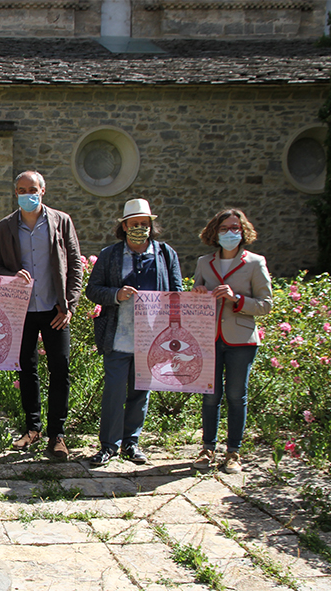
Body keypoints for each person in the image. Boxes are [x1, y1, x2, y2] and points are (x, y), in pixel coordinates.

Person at [0, 170, 84, 460]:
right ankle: (33, 428)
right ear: (15, 193)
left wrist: (70, 303)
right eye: (20, 190)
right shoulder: (5, 227)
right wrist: (11, 275)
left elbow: (75, 264)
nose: (26, 194)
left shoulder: (61, 221)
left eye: (31, 189)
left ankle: (57, 435)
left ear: (42, 190)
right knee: (26, 370)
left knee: (60, 370)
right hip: (22, 310)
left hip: (56, 309)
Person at [85, 198, 183, 467]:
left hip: (152, 337)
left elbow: (177, 292)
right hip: (118, 336)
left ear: (152, 225)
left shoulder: (165, 254)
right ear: (124, 226)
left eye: (144, 223)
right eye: (134, 223)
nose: (140, 227)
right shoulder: (110, 255)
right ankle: (108, 445)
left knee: (141, 392)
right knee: (114, 392)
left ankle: (131, 443)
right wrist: (116, 294)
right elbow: (92, 289)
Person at [192, 208, 273, 474]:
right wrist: (199, 292)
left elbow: (266, 305)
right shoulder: (205, 262)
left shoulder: (255, 262)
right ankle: (207, 448)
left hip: (241, 340)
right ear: (215, 232)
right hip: (209, 337)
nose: (230, 232)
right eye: (225, 228)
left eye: (235, 228)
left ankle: (233, 452)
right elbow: (196, 297)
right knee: (209, 396)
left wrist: (236, 299)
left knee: (236, 396)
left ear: (243, 231)